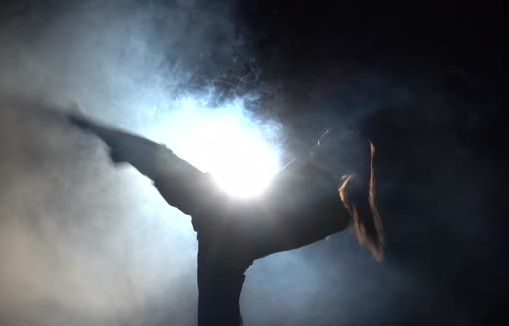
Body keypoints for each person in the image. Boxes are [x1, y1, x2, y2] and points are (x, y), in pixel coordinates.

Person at [68, 115, 384, 326]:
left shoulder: (330, 202)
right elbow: (273, 206)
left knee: (162, 160)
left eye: (325, 142)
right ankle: (109, 138)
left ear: (339, 155)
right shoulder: (332, 202)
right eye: (320, 140)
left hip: (227, 225)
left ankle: (104, 135)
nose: (318, 144)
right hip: (228, 231)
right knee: (216, 311)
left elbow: (276, 218)